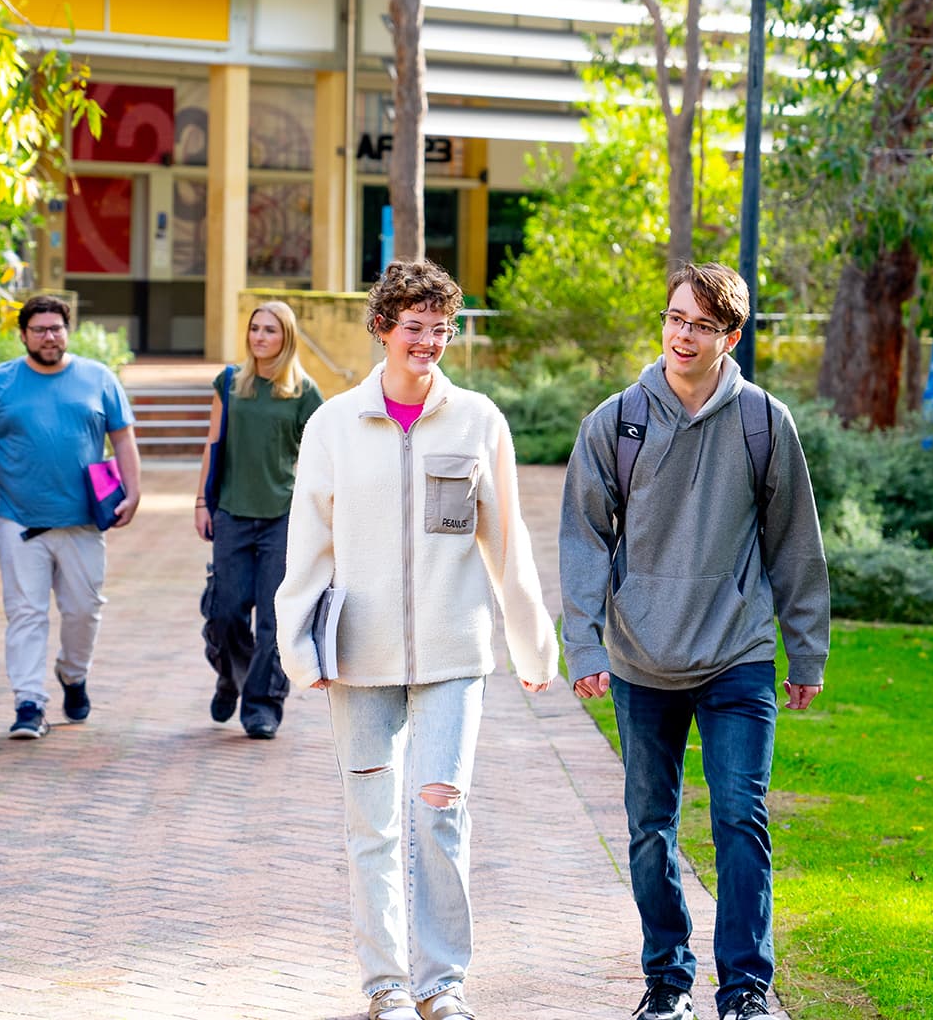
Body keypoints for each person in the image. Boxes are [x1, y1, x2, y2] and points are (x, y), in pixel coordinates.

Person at [275, 260, 558, 1020]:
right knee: (373, 821)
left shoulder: (477, 421)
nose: (429, 342)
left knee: (438, 809)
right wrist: (299, 647)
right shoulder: (333, 424)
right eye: (414, 328)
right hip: (360, 655)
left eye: (441, 329)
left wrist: (532, 646)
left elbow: (507, 540)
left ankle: (441, 983)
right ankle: (386, 986)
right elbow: (309, 543)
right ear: (382, 328)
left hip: (453, 653)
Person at [559, 263, 831, 1020]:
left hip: (737, 654)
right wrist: (583, 645)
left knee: (740, 817)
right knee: (650, 828)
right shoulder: (616, 423)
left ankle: (745, 987)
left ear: (730, 336)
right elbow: (582, 539)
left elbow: (795, 545)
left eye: (702, 325)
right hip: (643, 658)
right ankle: (667, 982)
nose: (683, 334)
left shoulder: (763, 423)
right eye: (676, 318)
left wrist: (805, 651)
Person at [0, 294, 140, 740]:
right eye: (39, 329)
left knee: (84, 611)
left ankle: (73, 675)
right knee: (25, 614)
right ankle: (28, 703)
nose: (49, 336)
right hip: (20, 522)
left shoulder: (97, 378)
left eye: (56, 328)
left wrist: (133, 491)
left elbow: (122, 438)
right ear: (23, 335)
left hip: (83, 521)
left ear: (67, 331)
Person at [194, 301, 324, 740]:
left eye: (270, 330)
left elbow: (319, 459)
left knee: (274, 618)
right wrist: (200, 502)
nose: (260, 337)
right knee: (225, 612)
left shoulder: (304, 391)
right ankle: (232, 678)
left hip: (283, 519)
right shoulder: (230, 383)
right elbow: (213, 445)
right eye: (254, 329)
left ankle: (262, 705)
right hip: (231, 512)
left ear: (286, 337)